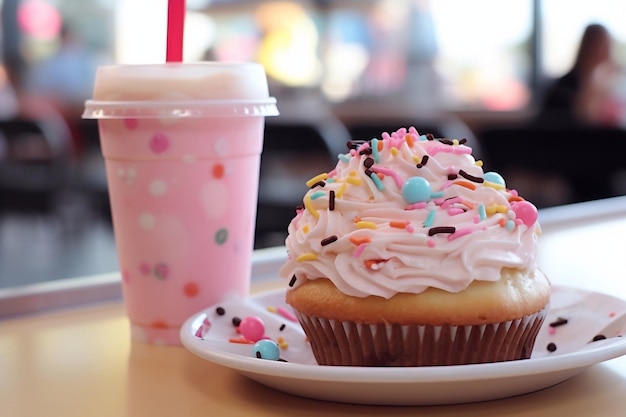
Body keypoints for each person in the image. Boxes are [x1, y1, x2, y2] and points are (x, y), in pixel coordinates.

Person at [539, 23, 621, 126]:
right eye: (603, 45)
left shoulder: (608, 83)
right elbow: (580, 119)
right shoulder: (564, 86)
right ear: (588, 46)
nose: (607, 51)